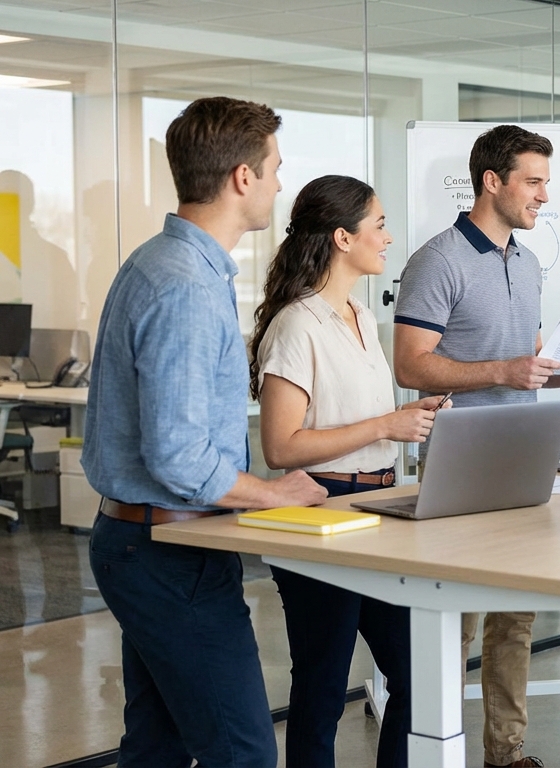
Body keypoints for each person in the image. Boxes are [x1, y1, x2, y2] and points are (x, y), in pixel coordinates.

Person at [82, 96, 328, 765]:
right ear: (242, 178)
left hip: (149, 542)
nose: (280, 182)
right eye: (274, 167)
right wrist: (274, 495)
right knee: (242, 752)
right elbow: (180, 457)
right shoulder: (185, 284)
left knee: (157, 748)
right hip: (167, 551)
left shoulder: (164, 263)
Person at [392, 124, 560, 768]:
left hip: (523, 454)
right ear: (494, 181)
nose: (544, 194)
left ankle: (506, 755)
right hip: (458, 460)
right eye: (534, 181)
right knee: (454, 621)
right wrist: (503, 371)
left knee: (515, 619)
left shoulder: (528, 259)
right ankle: (435, 748)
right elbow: (410, 365)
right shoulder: (436, 260)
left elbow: (527, 353)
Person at [248, 175, 448, 768]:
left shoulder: (360, 314)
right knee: (324, 685)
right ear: (342, 237)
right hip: (319, 508)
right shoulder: (296, 324)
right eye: (379, 224)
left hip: (378, 506)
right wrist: (386, 425)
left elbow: (364, 418)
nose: (389, 237)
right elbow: (281, 447)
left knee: (417, 674)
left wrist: (405, 417)